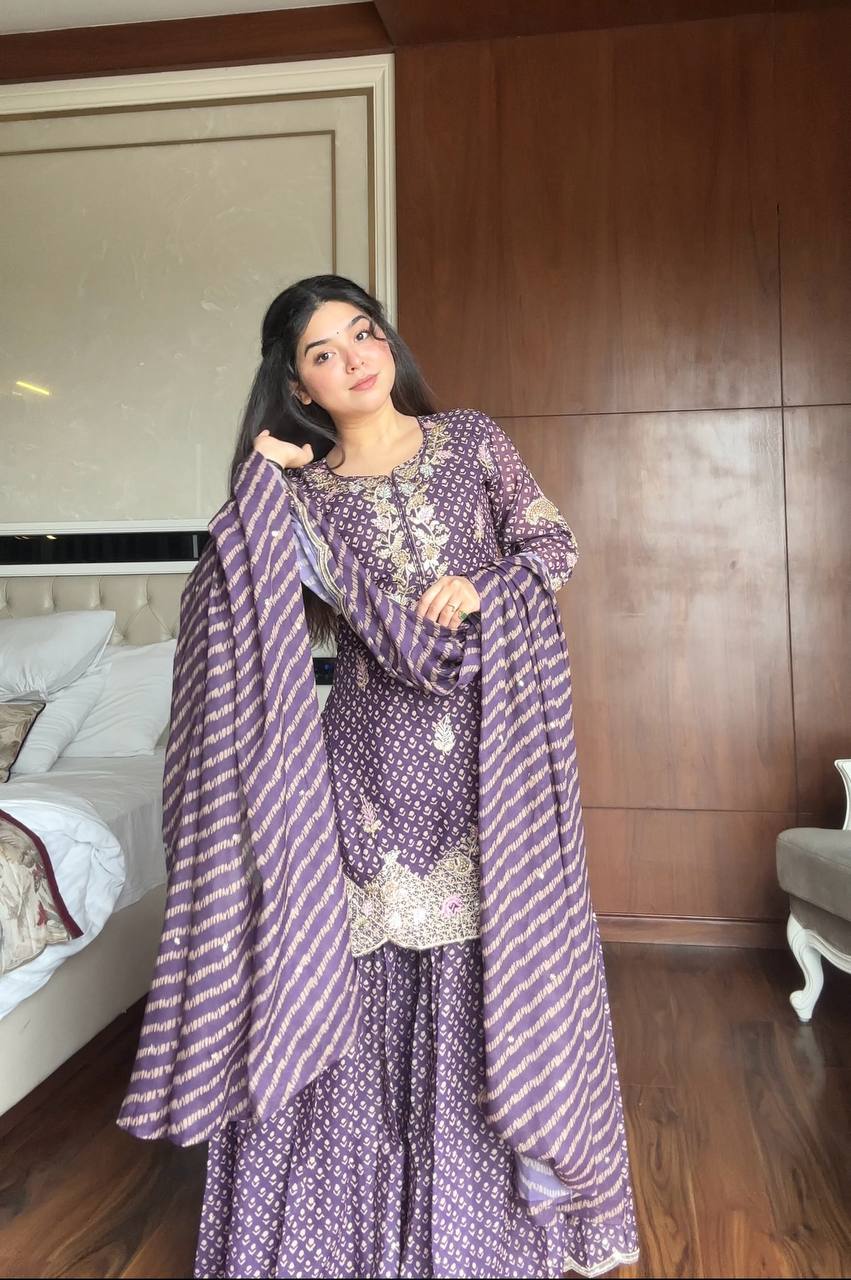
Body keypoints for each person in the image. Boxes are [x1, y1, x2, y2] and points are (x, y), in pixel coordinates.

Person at [118, 274, 640, 1279]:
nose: (355, 358)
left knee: (491, 976)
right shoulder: (301, 498)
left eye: (362, 333)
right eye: (323, 352)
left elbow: (552, 543)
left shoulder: (472, 442)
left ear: (386, 340)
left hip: (492, 760)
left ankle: (480, 1236)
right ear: (298, 387)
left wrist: (480, 584)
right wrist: (258, 483)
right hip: (362, 768)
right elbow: (232, 607)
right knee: (352, 988)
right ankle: (341, 1241)